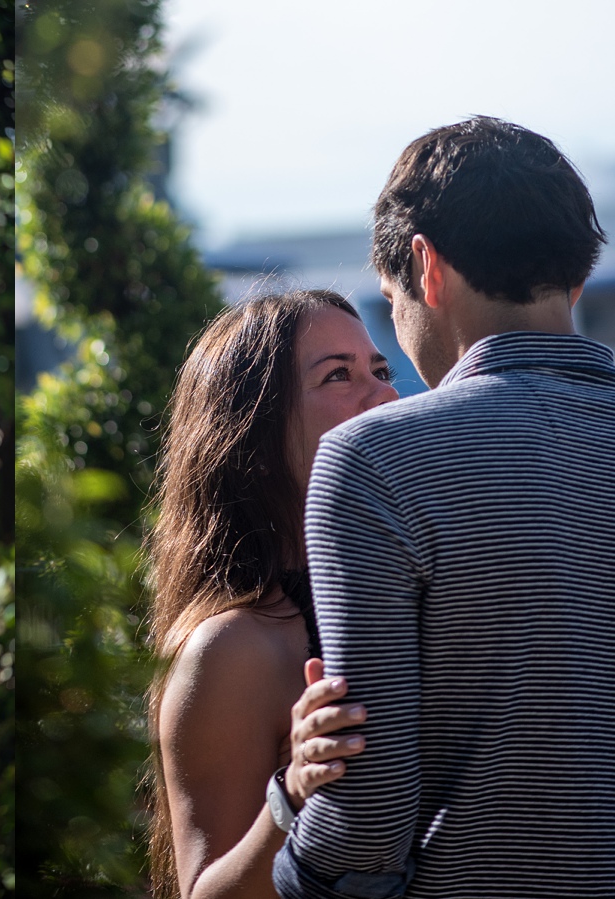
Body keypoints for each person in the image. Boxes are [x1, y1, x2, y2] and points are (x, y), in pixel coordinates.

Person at [273, 117, 613, 898]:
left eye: (388, 299)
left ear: (425, 267)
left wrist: (299, 867)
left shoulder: (376, 458)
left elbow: (368, 815)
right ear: (576, 280)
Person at [146, 290, 399, 899]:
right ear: (254, 431)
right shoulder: (232, 648)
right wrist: (293, 793)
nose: (385, 395)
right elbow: (205, 891)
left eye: (380, 370)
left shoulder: (395, 585)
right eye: (338, 375)